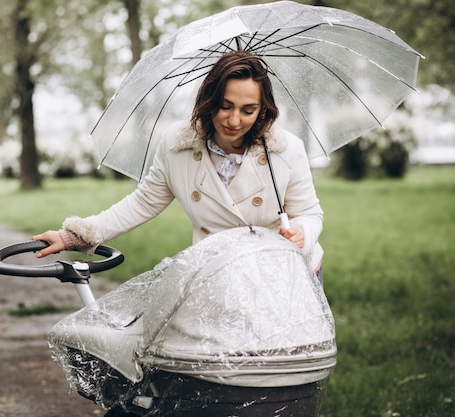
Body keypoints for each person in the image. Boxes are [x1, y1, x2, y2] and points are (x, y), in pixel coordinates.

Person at [33, 50, 323, 276]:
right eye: (225, 106)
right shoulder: (178, 146)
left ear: (262, 109)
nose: (234, 121)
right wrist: (75, 236)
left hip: (285, 275)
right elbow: (143, 202)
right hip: (217, 276)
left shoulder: (285, 150)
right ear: (209, 101)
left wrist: (302, 234)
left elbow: (309, 214)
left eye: (248, 110)